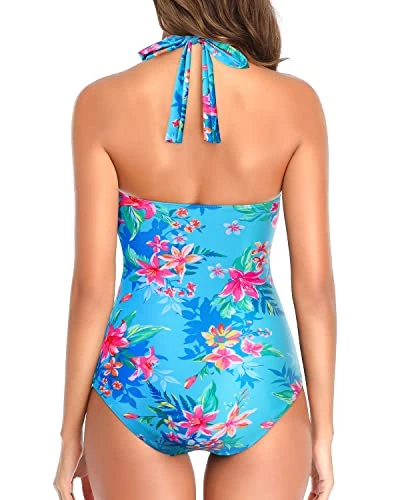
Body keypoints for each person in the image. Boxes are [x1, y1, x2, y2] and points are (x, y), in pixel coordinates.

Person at [54, 1, 336, 499]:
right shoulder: (296, 103)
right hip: (256, 377)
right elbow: (313, 289)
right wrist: (325, 433)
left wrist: (68, 433)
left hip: (135, 376)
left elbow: (91, 290)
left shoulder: (100, 102)